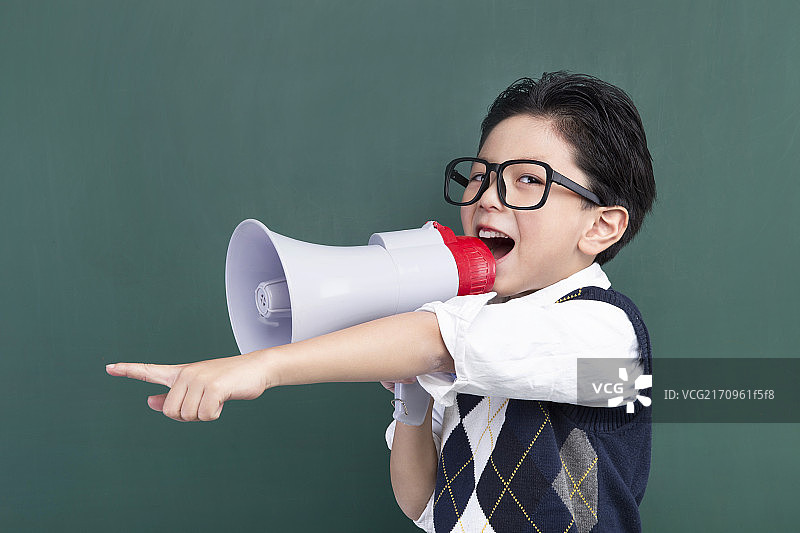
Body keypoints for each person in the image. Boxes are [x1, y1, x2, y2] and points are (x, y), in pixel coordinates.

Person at [107, 71, 656, 532]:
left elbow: (439, 343)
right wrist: (410, 397)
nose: (486, 196)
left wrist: (264, 366)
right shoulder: (465, 322)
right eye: (481, 176)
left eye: (526, 181)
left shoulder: (605, 336)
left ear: (601, 226)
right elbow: (423, 504)